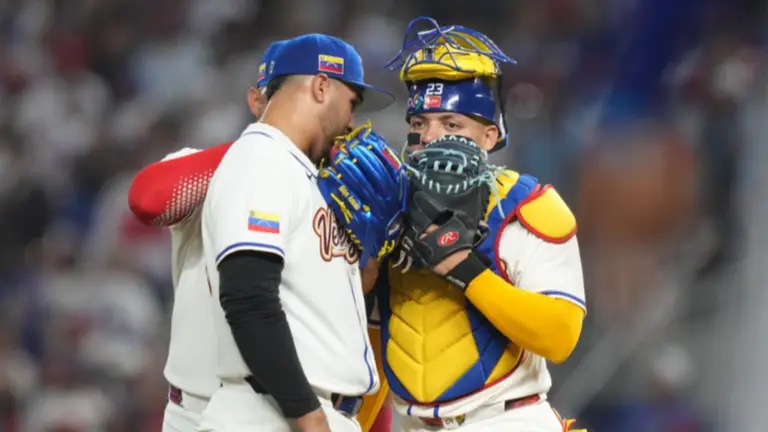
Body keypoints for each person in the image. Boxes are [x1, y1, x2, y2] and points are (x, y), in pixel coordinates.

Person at [128, 37, 394, 432]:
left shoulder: (324, 188)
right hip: (222, 404)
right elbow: (148, 198)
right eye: (351, 103)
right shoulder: (253, 162)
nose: (351, 124)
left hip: (303, 400)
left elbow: (342, 323)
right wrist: (272, 140)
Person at [367, 18, 587, 431]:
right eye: (419, 124)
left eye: (452, 125)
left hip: (505, 420)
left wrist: (466, 269)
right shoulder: (387, 208)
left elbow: (560, 336)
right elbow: (376, 344)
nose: (430, 137)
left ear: (489, 136)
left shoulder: (528, 205)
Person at [127, 41, 284, 432]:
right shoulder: (205, 170)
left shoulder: (334, 189)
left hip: (287, 412)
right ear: (257, 102)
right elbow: (148, 199)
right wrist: (261, 150)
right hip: (197, 409)